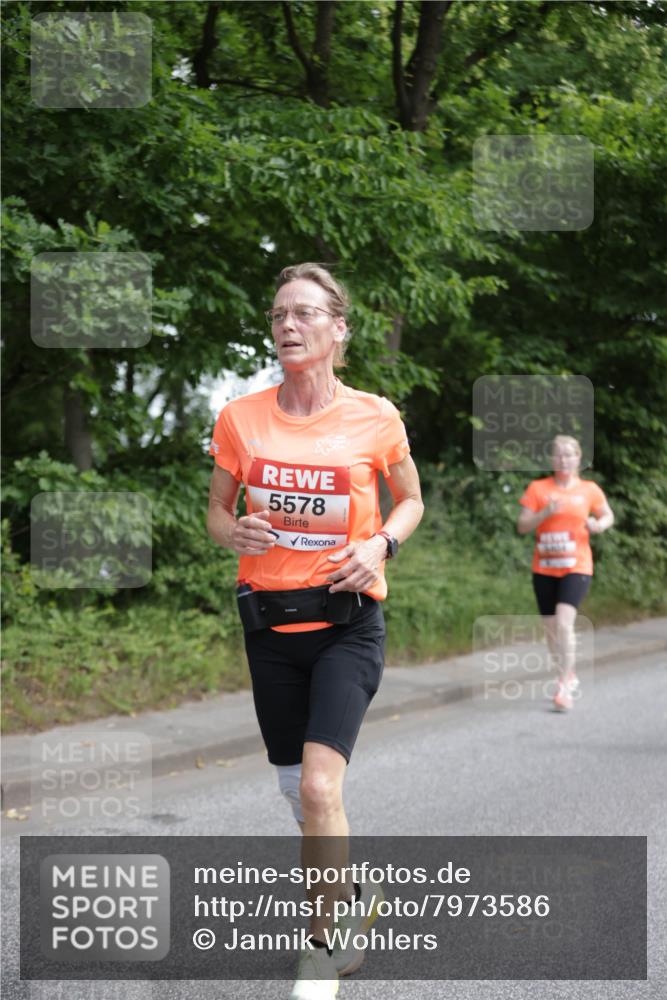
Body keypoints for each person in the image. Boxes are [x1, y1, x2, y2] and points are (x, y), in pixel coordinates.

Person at [206, 263, 424, 999]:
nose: (287, 327)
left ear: (339, 328)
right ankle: (353, 896)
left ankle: (321, 950)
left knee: (323, 786)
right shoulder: (240, 418)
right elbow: (215, 516)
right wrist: (233, 532)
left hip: (347, 626)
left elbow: (411, 501)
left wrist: (379, 545)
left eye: (303, 314)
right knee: (297, 791)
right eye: (277, 316)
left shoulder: (375, 417)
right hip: (268, 629)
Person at [517, 435, 614, 711]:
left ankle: (563, 685)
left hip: (577, 566)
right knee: (550, 630)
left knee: (563, 623)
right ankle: (567, 672)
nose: (564, 459)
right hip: (545, 567)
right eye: (559, 455)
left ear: (578, 459)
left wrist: (599, 524)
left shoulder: (589, 490)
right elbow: (522, 526)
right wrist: (544, 513)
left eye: (569, 454)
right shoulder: (538, 488)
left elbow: (608, 515)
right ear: (551, 459)